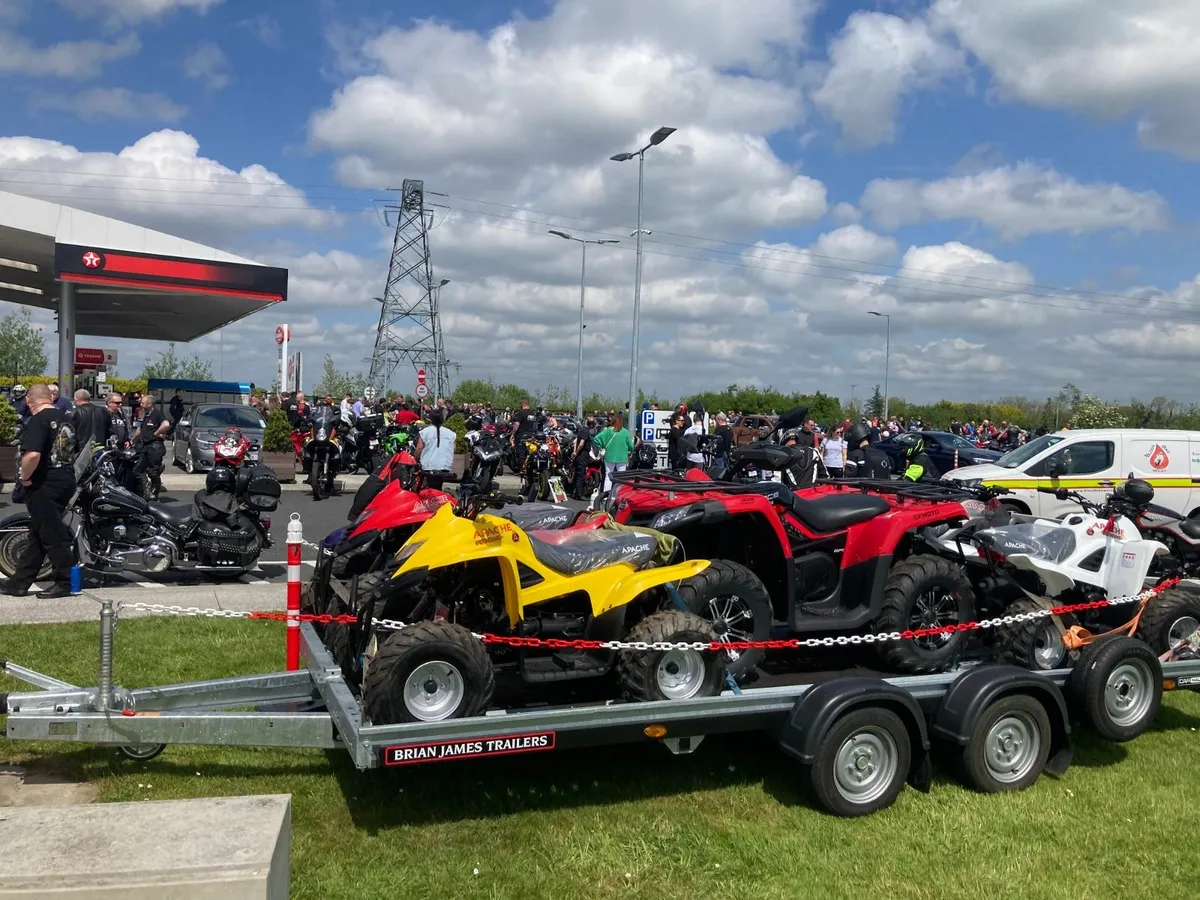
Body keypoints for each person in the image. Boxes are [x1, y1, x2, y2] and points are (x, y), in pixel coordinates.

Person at [1, 385, 76, 598]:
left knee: (53, 535)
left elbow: (32, 455)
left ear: (29, 401)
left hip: (45, 483)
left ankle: (66, 581)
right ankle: (19, 582)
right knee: (39, 532)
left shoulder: (38, 420)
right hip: (64, 479)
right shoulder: (65, 418)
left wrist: (24, 478)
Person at [133, 394, 170, 499]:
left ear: (149, 404)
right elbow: (140, 430)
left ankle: (155, 493)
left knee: (153, 472)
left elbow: (166, 424)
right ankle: (146, 489)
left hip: (155, 447)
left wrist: (158, 433)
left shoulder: (157, 414)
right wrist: (133, 441)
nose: (141, 404)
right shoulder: (146, 415)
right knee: (137, 470)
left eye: (143, 403)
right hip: (145, 446)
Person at [416, 409, 456, 491]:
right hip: (445, 466)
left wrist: (415, 458)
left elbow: (419, 448)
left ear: (430, 419)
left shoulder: (425, 432)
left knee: (429, 488)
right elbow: (453, 448)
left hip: (429, 466)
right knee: (438, 487)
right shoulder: (450, 433)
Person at [594, 412, 634, 492]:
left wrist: (601, 447)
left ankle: (605, 496)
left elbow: (596, 439)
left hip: (609, 456)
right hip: (622, 457)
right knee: (621, 477)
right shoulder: (625, 432)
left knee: (608, 476)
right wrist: (630, 451)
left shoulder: (608, 431)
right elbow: (631, 446)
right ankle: (619, 494)